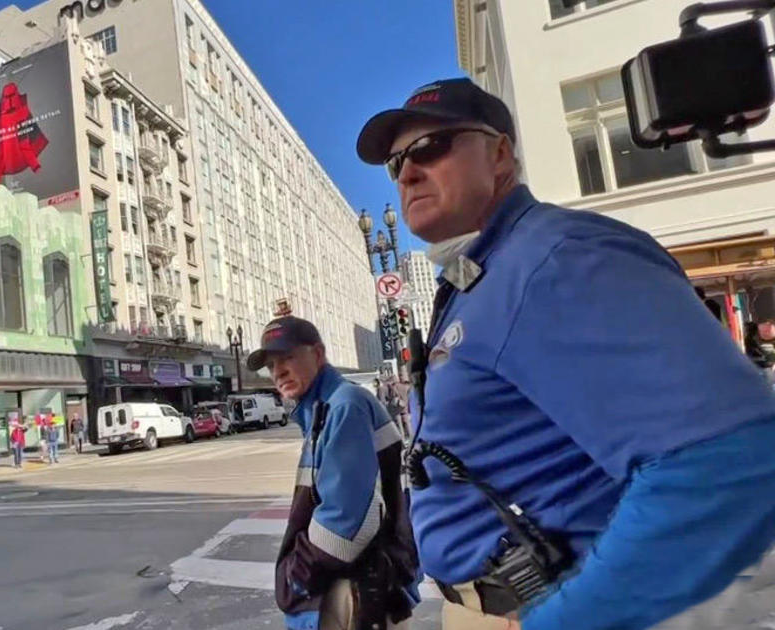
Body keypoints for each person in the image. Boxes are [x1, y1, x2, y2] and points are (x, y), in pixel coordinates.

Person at [355, 77, 775, 629]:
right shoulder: (482, 275)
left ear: (500, 152)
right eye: (395, 163)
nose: (407, 173)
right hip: (490, 604)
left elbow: (726, 463)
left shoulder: (555, 259)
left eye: (431, 147)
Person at [248, 316, 418, 630]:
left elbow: (346, 524)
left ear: (318, 354)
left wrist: (295, 577)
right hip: (354, 582)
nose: (278, 371)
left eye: (287, 357)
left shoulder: (344, 405)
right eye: (271, 365)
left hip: (354, 588)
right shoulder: (323, 408)